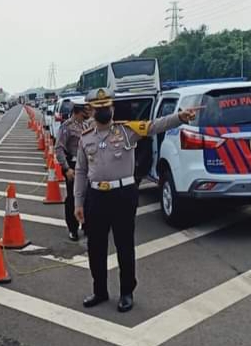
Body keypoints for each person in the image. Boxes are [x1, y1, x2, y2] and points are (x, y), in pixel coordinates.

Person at [74, 87, 197, 312]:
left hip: (122, 195)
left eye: (107, 106)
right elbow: (81, 171)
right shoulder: (85, 138)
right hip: (96, 197)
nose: (104, 111)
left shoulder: (128, 130)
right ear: (90, 110)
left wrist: (179, 117)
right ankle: (99, 291)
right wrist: (78, 202)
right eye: (99, 108)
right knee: (96, 247)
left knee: (124, 245)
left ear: (113, 108)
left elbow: (155, 125)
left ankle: (126, 292)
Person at [54, 100, 91, 241]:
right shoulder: (66, 126)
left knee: (88, 197)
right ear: (76, 112)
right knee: (73, 198)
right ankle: (73, 229)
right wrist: (66, 168)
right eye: (83, 113)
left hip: (87, 166)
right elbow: (59, 148)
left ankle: (87, 226)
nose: (85, 116)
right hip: (73, 166)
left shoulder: (86, 125)